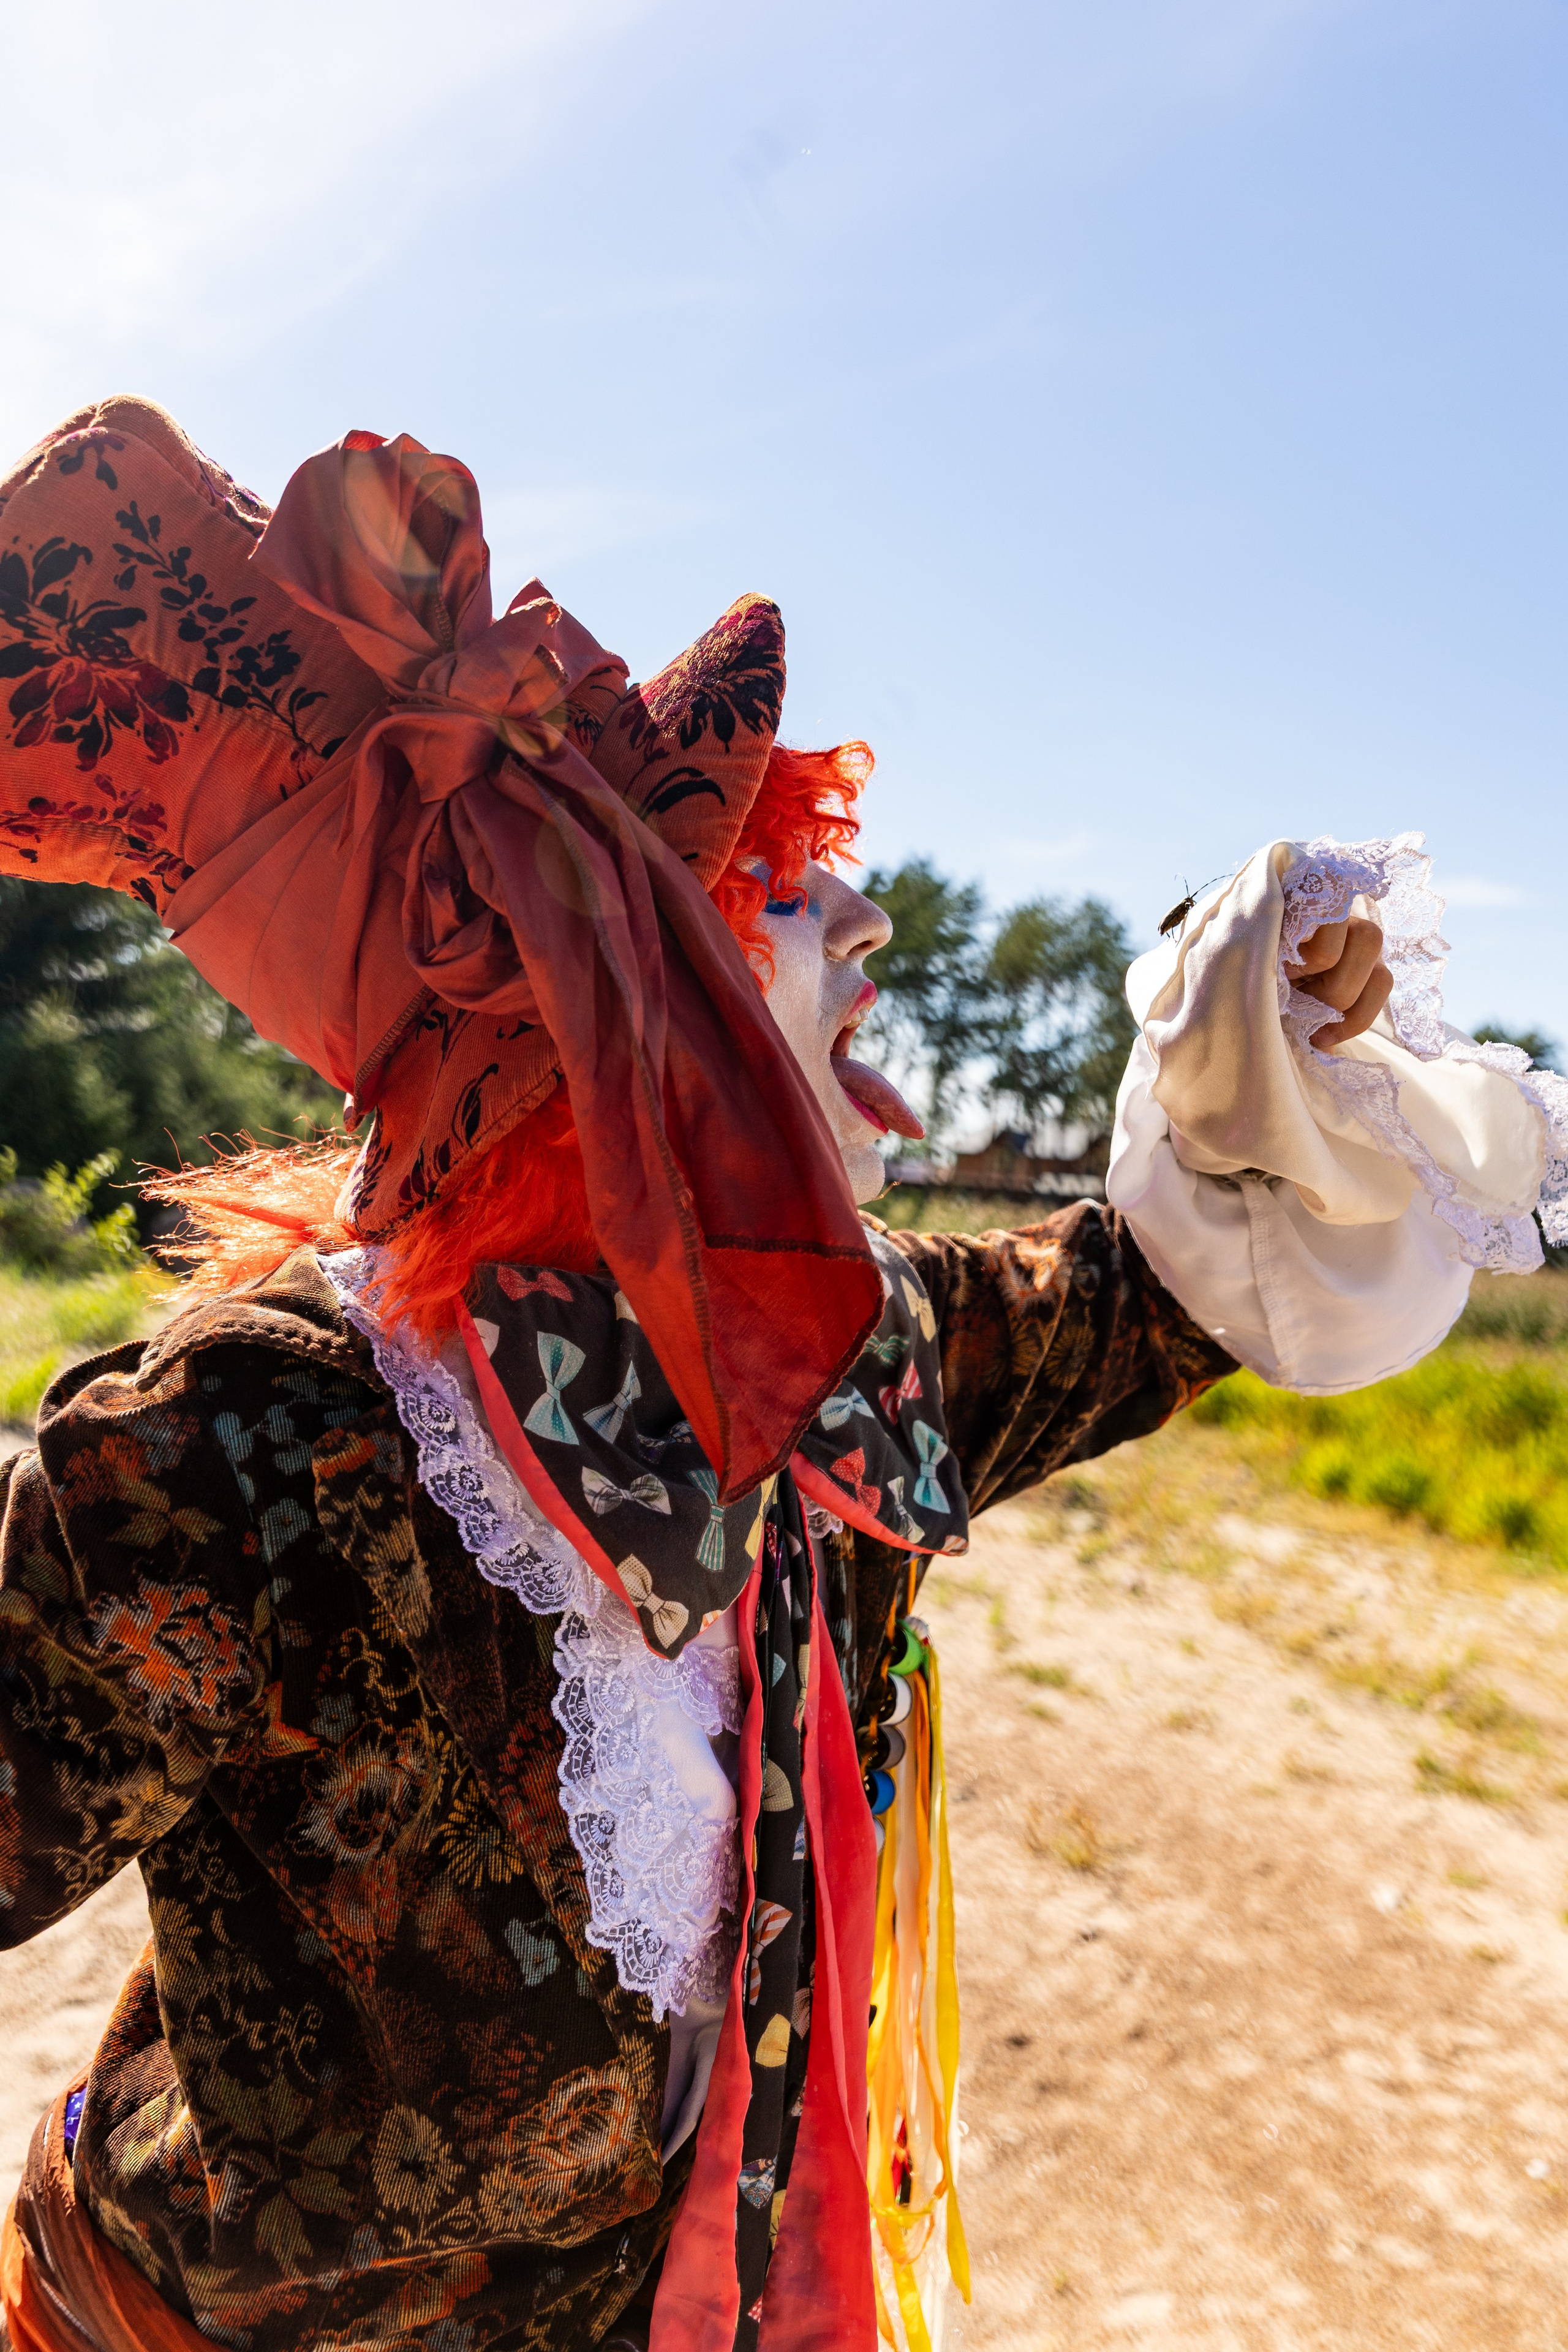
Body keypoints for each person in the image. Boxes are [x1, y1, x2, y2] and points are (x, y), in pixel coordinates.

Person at [0, 399, 1556, 2352]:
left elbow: (1180, 1276)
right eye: (805, 934)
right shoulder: (251, 1445)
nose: (876, 979)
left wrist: (1268, 987)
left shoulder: (854, 1362)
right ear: (637, 1010)